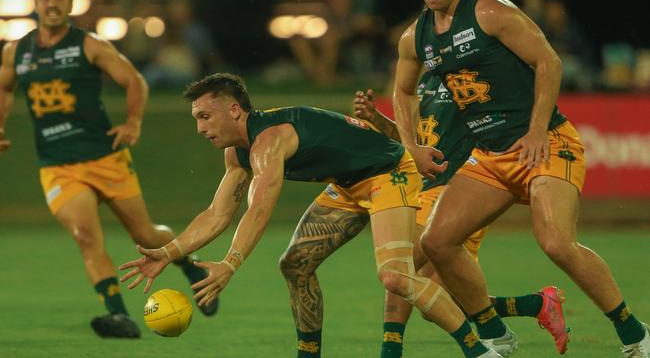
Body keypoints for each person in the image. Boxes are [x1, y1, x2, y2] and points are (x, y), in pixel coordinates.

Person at [119, 72, 503, 358]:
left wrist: (231, 263)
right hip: (348, 184)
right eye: (196, 119)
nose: (199, 127)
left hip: (390, 172)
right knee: (295, 265)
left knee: (395, 275)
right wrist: (168, 253)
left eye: (204, 116)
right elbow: (218, 212)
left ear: (234, 110)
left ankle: (481, 352)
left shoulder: (268, 142)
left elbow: (259, 208)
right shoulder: (236, 152)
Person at [392, 0, 649, 356]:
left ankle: (633, 331)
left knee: (557, 243)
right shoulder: (414, 36)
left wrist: (537, 129)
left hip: (545, 144)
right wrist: (411, 147)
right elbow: (402, 92)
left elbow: (549, 61)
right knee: (436, 241)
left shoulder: (489, 10)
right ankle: (494, 331)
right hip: (491, 155)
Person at [0, 0, 217, 338]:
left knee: (144, 235)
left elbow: (134, 80)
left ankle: (191, 269)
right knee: (85, 235)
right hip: (57, 166)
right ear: (37, 4)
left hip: (105, 157)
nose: (52, 4)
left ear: (70, 5)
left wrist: (132, 123)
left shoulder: (90, 45)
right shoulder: (17, 51)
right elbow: (5, 88)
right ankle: (119, 316)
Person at [353, 72, 568, 357]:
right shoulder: (428, 81)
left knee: (400, 264)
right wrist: (377, 119)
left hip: (459, 190)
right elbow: (418, 145)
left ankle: (391, 351)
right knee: (438, 302)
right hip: (429, 189)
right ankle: (535, 304)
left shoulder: (468, 77)